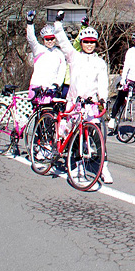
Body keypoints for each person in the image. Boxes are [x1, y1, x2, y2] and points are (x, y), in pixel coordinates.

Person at [53, 10, 112, 183]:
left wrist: (102, 100)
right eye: (86, 42)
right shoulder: (74, 57)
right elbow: (63, 41)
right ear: (82, 42)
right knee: (75, 135)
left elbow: (102, 84)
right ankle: (77, 164)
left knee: (99, 136)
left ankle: (103, 167)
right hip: (74, 103)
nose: (89, 45)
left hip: (91, 105)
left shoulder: (100, 63)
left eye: (92, 42)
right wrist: (58, 23)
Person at [25, 10, 66, 100]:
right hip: (37, 86)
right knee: (38, 113)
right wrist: (29, 23)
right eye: (47, 39)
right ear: (43, 40)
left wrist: (57, 84)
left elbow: (62, 71)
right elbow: (31, 39)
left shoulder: (59, 53)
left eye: (52, 38)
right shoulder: (38, 49)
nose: (50, 41)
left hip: (50, 88)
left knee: (48, 112)